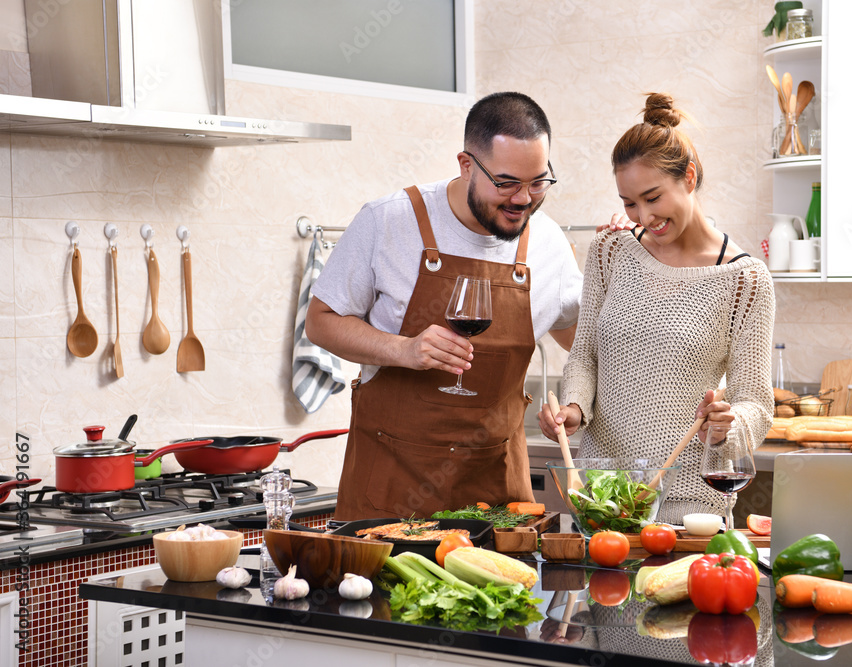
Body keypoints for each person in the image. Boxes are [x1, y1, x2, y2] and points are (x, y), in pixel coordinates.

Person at [306, 92, 583, 520]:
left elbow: (581, 341)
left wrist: (576, 406)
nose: (523, 199)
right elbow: (321, 323)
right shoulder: (388, 221)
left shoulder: (549, 245)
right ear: (467, 164)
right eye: (506, 183)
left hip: (498, 502)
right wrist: (404, 350)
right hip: (391, 494)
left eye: (538, 182)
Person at [539, 93, 775, 524]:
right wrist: (572, 408)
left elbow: (755, 403)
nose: (643, 216)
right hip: (603, 498)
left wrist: (729, 425)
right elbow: (585, 355)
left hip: (690, 507)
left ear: (688, 177)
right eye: (630, 203)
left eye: (653, 197)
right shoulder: (610, 252)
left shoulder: (745, 280)